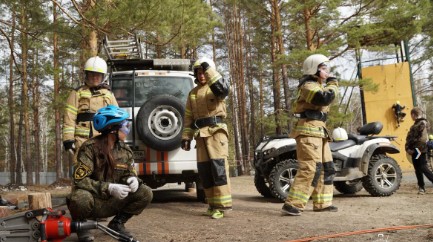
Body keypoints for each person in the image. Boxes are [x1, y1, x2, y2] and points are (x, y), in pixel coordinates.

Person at [67, 105, 153, 241]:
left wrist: (133, 179)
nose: (127, 129)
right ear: (112, 129)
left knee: (145, 192)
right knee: (79, 198)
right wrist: (109, 188)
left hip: (113, 201)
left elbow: (129, 173)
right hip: (94, 200)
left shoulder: (125, 151)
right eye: (125, 125)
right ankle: (83, 227)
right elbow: (80, 180)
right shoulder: (89, 148)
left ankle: (116, 224)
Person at [282, 54, 339, 216]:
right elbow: (324, 99)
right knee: (310, 169)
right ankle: (293, 204)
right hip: (308, 131)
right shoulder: (308, 86)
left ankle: (323, 203)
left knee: (327, 168)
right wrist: (333, 84)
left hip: (319, 132)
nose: (327, 71)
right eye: (324, 68)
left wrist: (329, 84)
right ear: (314, 70)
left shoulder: (318, 85)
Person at [181, 57, 231, 219]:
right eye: (199, 72)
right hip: (200, 135)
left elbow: (222, 90)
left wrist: (210, 70)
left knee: (219, 169)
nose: (202, 75)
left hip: (216, 133)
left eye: (204, 72)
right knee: (205, 172)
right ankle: (212, 204)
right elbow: (188, 118)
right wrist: (186, 137)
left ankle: (222, 206)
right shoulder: (193, 93)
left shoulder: (215, 88)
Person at [63, 56, 118, 156]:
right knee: (84, 170)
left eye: (98, 75)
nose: (94, 77)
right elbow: (69, 118)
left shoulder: (109, 94)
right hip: (82, 141)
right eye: (91, 74)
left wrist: (117, 138)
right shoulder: (77, 93)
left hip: (104, 141)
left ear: (103, 76)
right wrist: (68, 140)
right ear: (86, 75)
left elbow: (117, 118)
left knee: (104, 169)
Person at [405, 107, 433, 195]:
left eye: (411, 115)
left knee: (423, 167)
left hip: (419, 150)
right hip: (417, 150)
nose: (411, 117)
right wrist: (408, 148)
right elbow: (410, 138)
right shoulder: (417, 124)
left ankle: (422, 187)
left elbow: (422, 139)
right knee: (418, 168)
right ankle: (421, 187)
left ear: (413, 114)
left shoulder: (422, 124)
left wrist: (414, 150)